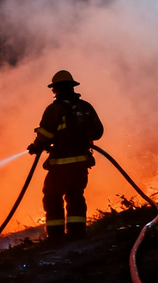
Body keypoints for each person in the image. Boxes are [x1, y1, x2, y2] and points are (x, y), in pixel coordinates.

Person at [27, 70, 104, 241]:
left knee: (52, 197)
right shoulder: (86, 107)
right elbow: (98, 132)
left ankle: (56, 236)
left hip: (60, 164)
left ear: (56, 89)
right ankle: (77, 232)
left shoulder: (55, 109)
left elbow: (45, 135)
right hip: (81, 163)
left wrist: (36, 146)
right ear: (72, 87)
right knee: (76, 195)